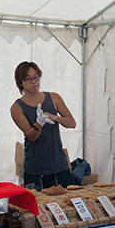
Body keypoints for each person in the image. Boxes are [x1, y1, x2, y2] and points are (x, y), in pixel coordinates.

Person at [10, 61, 77, 190]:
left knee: (67, 203)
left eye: (36, 77)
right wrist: (38, 124)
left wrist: (55, 117)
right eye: (28, 79)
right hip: (36, 168)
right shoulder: (17, 107)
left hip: (59, 165)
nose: (34, 82)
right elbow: (31, 136)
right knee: (39, 206)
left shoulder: (54, 98)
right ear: (20, 83)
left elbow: (72, 123)